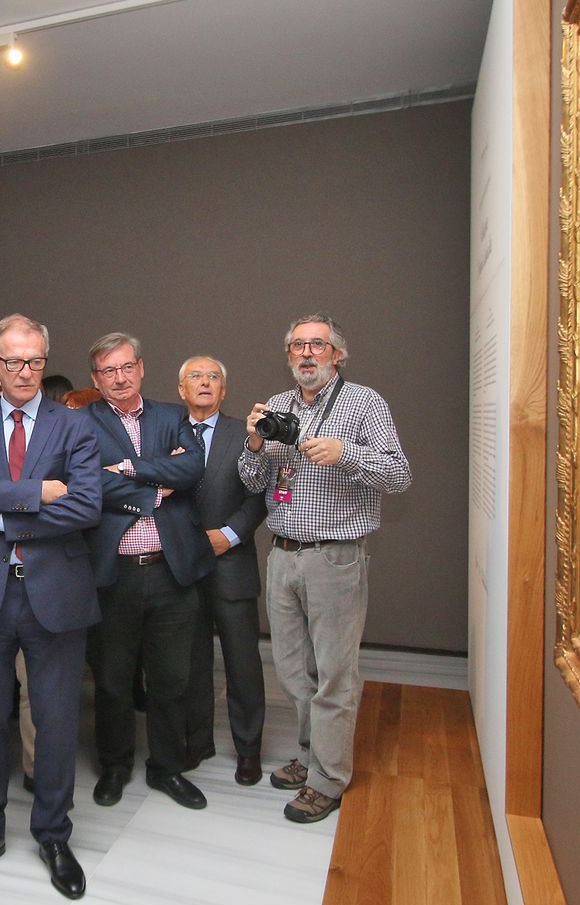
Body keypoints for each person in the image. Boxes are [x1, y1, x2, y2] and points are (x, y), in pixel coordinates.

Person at [0, 314, 102, 899]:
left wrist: (5, 514)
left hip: (55, 593)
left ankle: (54, 834)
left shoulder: (74, 426)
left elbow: (86, 506)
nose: (26, 371)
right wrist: (37, 494)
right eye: (13, 361)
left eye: (35, 360)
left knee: (56, 723)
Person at [239, 314, 410, 824]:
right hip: (283, 552)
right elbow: (252, 482)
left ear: (338, 354)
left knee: (335, 674)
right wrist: (253, 443)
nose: (307, 353)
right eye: (298, 346)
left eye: (318, 345)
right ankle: (315, 755)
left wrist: (346, 453)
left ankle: (329, 779)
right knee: (293, 670)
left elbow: (399, 474)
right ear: (288, 355)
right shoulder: (278, 406)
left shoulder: (364, 404)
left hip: (335, 555)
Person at [83, 332, 211, 811]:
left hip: (170, 570)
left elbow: (193, 468)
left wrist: (128, 470)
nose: (119, 378)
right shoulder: (81, 424)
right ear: (95, 379)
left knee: (171, 679)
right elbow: (88, 484)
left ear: (140, 368)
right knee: (114, 681)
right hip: (114, 573)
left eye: (125, 367)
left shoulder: (172, 415)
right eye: (107, 371)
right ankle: (115, 767)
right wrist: (156, 482)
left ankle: (167, 768)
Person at [179, 356, 270, 785]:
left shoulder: (246, 435)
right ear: (181, 390)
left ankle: (248, 749)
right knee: (192, 661)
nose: (205, 383)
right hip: (181, 566)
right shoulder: (167, 432)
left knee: (242, 662)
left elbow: (259, 494)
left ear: (224, 390)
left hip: (231, 562)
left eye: (214, 377)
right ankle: (197, 741)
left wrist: (229, 536)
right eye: (195, 377)